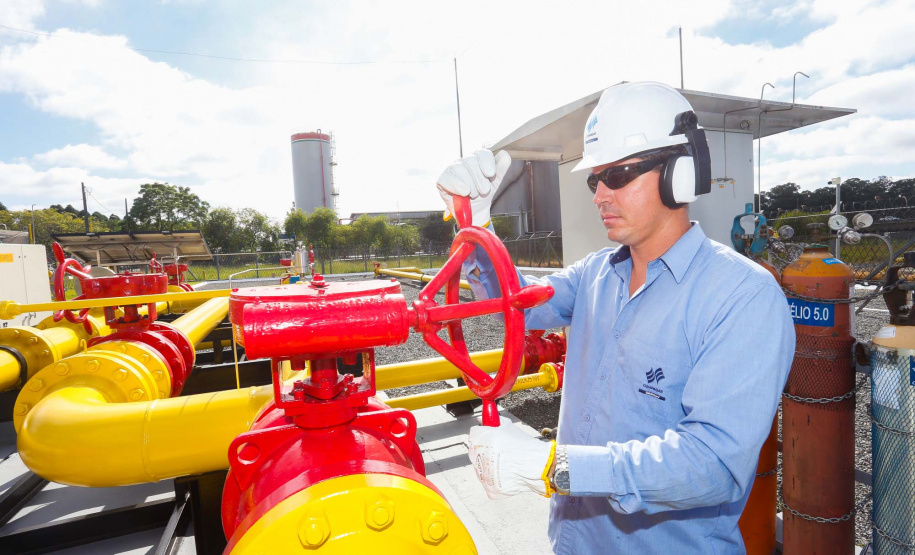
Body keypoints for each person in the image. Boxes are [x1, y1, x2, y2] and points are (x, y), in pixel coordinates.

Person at [435, 81, 795, 554]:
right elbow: (515, 302)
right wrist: (476, 224)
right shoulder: (595, 276)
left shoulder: (742, 297)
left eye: (618, 175)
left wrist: (556, 467)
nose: (599, 195)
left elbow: (713, 464)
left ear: (680, 174)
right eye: (594, 179)